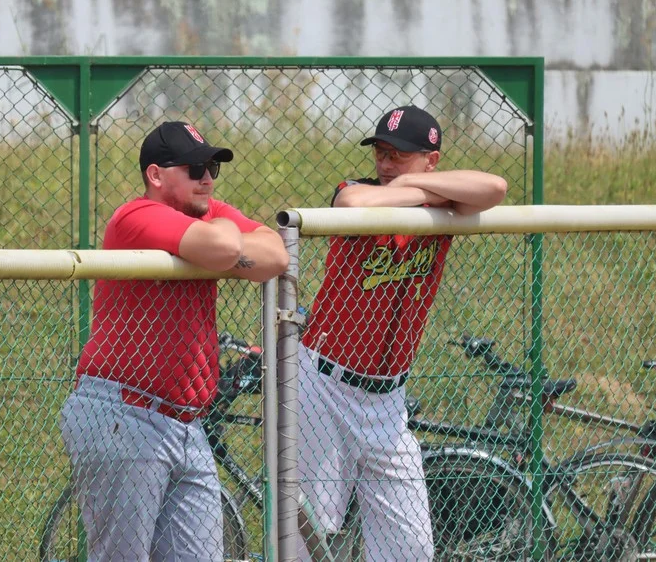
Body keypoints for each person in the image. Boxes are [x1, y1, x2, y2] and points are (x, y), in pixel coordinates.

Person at [60, 121, 289, 561]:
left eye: (212, 168)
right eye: (195, 167)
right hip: (124, 413)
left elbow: (275, 254)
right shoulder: (135, 217)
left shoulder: (204, 211)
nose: (207, 178)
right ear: (156, 175)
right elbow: (227, 248)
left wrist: (222, 243)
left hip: (186, 422)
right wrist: (225, 242)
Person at [297, 105, 508, 561]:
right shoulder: (361, 191)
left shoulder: (435, 200)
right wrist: (418, 189)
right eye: (382, 153)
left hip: (389, 402)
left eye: (400, 155)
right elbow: (350, 203)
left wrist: (417, 187)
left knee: (410, 546)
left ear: (432, 159)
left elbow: (495, 188)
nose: (386, 164)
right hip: (324, 385)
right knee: (308, 540)